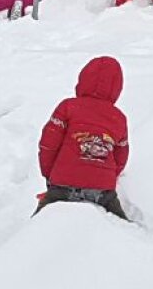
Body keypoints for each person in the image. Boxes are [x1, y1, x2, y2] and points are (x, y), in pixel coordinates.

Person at [35, 56, 129, 219]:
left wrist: (50, 176)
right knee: (125, 227)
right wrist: (108, 177)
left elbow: (48, 145)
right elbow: (121, 156)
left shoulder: (68, 107)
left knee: (38, 223)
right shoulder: (119, 118)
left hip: (63, 183)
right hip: (103, 190)